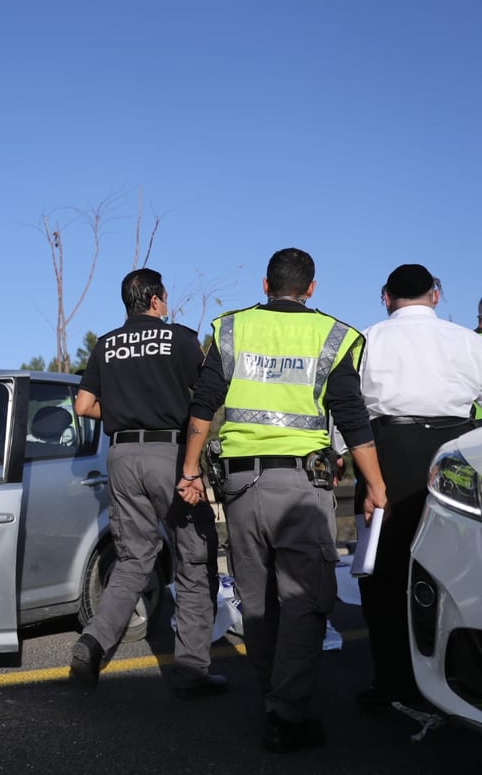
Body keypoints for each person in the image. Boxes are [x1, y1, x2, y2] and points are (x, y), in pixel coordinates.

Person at [175, 248, 387, 754]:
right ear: (311, 289)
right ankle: (286, 715)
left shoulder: (231, 329)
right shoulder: (334, 336)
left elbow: (203, 406)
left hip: (241, 489)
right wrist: (374, 484)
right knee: (306, 602)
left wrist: (188, 472)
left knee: (258, 602)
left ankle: (276, 698)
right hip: (301, 490)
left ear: (266, 284)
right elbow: (352, 419)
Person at [68, 268, 224, 700]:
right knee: (193, 561)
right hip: (170, 455)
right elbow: (209, 393)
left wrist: (119, 412)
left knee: (133, 558)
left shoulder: (106, 344)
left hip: (121, 456)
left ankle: (94, 641)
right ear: (156, 300)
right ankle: (192, 672)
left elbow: (83, 405)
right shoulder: (180, 338)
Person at [354, 265, 482, 709]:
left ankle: (391, 681)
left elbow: (347, 408)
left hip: (385, 451)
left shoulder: (365, 339)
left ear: (386, 297)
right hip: (457, 453)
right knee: (457, 568)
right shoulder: (468, 340)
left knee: (384, 573)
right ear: (437, 295)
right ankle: (460, 680)